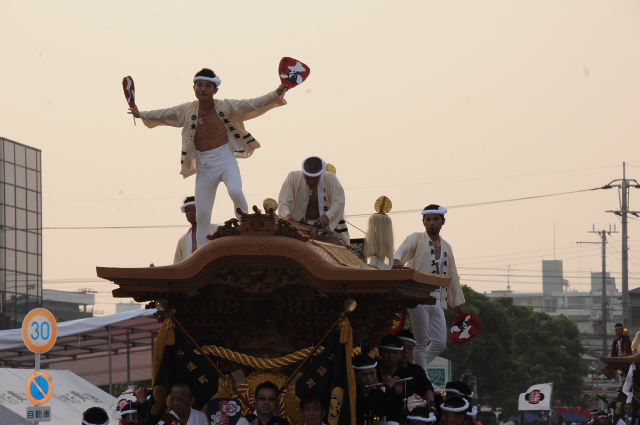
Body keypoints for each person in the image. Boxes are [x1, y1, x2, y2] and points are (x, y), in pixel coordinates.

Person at [129, 68, 288, 249]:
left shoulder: (226, 107)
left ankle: (248, 230)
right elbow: (165, 114)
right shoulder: (186, 110)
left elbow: (252, 104)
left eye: (207, 86)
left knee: (235, 191)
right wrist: (140, 114)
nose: (203, 89)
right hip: (204, 166)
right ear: (194, 87)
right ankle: (202, 252)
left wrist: (276, 93)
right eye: (199, 85)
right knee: (202, 214)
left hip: (225, 160)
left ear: (215, 90)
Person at [392, 204, 465, 370]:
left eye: (436, 219)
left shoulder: (447, 246)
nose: (432, 223)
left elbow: (452, 274)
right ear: (423, 222)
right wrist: (397, 261)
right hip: (418, 296)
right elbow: (403, 249)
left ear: (443, 221)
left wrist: (457, 302)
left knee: (440, 342)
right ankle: (422, 377)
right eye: (428, 219)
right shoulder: (416, 238)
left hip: (437, 297)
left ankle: (416, 369)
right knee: (422, 340)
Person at [277, 156, 350, 245]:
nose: (311, 181)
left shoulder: (331, 178)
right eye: (308, 178)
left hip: (326, 230)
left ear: (321, 174)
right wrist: (287, 215)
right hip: (298, 228)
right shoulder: (292, 177)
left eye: (315, 178)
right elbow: (284, 201)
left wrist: (327, 216)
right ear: (303, 173)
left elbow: (339, 202)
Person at [396, 329, 435, 407]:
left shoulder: (417, 370)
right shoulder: (388, 369)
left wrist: (429, 391)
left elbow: (427, 384)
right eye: (402, 347)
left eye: (410, 348)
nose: (405, 351)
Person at [174, 196, 219, 263]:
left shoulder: (218, 230)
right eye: (188, 210)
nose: (192, 213)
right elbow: (177, 265)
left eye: (195, 209)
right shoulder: (182, 241)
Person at [353, 354, 388, 425]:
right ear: (356, 376)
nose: (369, 378)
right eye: (364, 374)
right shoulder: (353, 394)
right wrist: (386, 387)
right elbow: (367, 404)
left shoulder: (377, 392)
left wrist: (398, 393)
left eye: (372, 373)